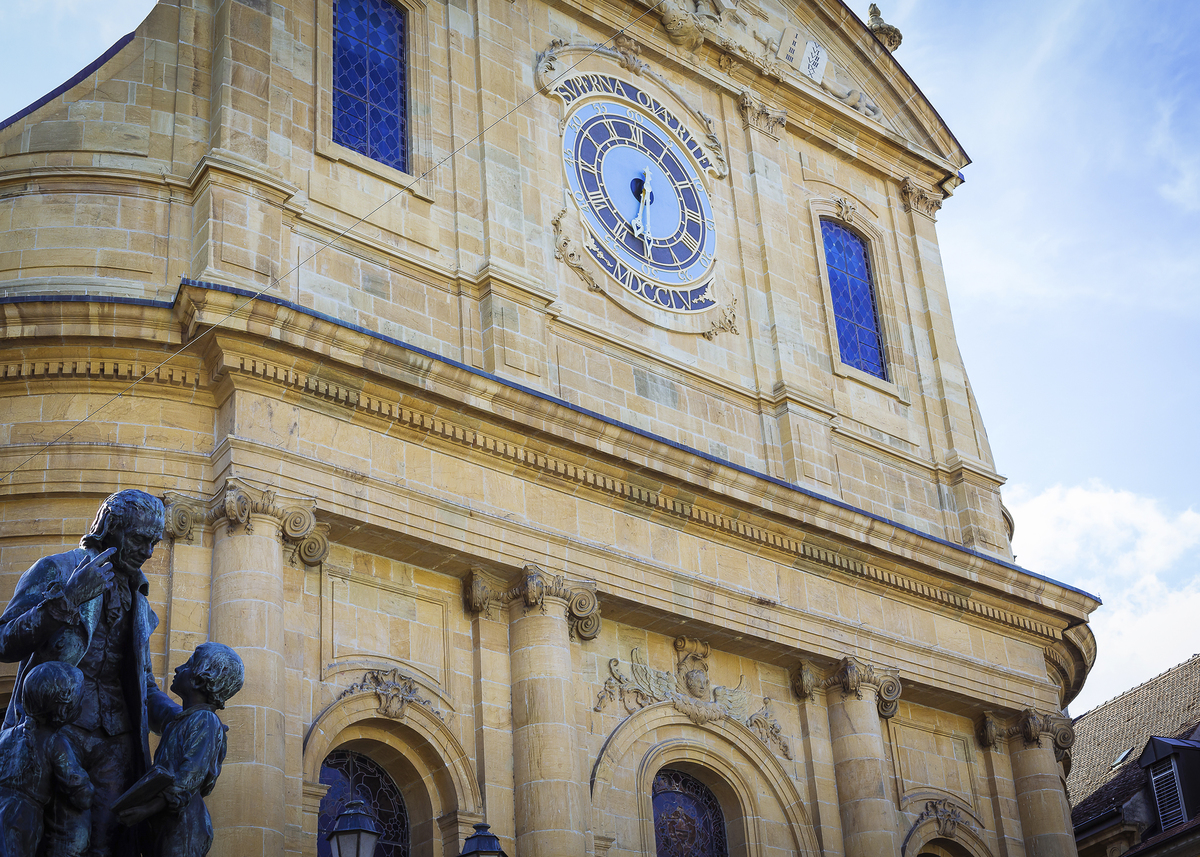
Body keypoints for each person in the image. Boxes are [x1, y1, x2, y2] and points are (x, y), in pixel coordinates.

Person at [0, 489, 181, 857]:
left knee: (106, 844)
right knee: (58, 843)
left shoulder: (139, 601)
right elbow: (4, 640)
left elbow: (144, 685)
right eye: (139, 540)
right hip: (56, 728)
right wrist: (65, 600)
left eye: (153, 543)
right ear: (111, 529)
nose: (147, 552)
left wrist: (182, 721)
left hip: (116, 742)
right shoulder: (58, 569)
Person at [115, 642, 244, 857]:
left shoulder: (205, 720)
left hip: (183, 824)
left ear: (200, 678)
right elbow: (152, 698)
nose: (178, 668)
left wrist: (144, 810)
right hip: (165, 821)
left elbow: (188, 778)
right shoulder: (182, 720)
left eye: (189, 663)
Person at [0, 661, 93, 857]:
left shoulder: (5, 735)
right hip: (22, 819)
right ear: (65, 710)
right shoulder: (55, 743)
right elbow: (80, 792)